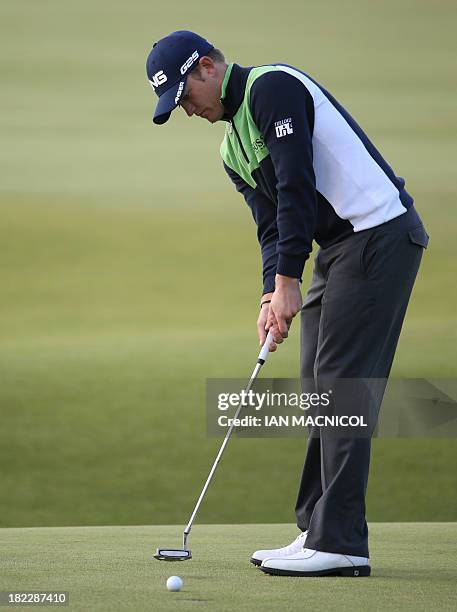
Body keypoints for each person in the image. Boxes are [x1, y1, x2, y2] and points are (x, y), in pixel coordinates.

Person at [145, 30, 429, 577]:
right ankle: (317, 529)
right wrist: (271, 292)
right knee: (316, 383)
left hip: (379, 234)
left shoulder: (272, 88)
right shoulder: (231, 149)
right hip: (340, 249)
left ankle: (342, 542)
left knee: (343, 386)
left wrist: (290, 280)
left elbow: (297, 183)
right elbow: (271, 225)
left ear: (206, 67)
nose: (186, 110)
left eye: (184, 96)